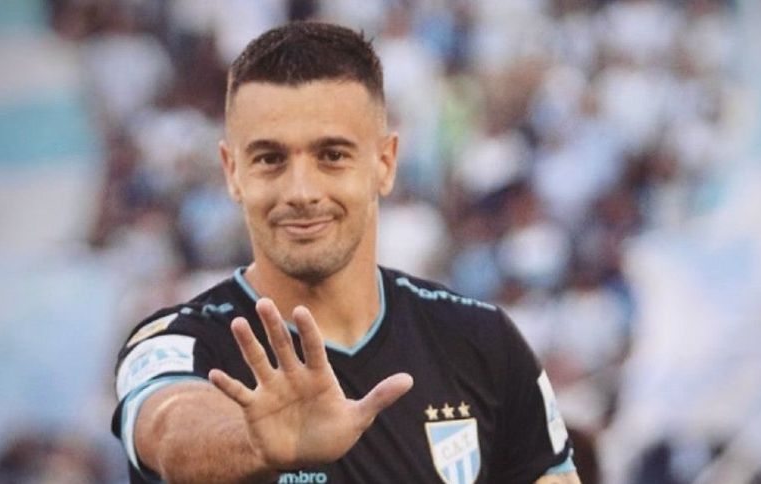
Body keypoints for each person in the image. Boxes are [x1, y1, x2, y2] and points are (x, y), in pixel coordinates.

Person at [111, 21, 579, 483]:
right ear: (233, 172)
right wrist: (255, 444)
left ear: (385, 163)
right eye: (270, 159)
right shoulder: (179, 343)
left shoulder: (482, 342)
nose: (301, 191)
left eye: (332, 155)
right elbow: (169, 430)